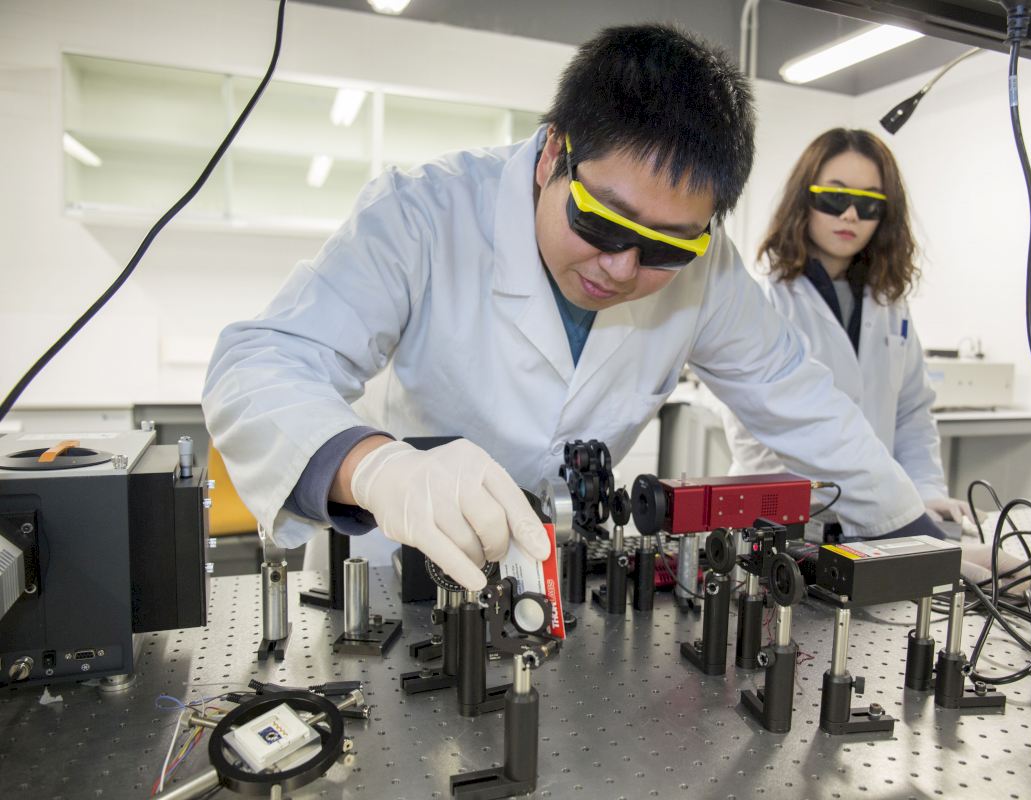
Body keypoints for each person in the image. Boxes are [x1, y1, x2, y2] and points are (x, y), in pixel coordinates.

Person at [202, 25, 941, 594]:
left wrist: (916, 538)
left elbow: (799, 400)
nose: (621, 268)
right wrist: (375, 469)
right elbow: (259, 365)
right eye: (601, 222)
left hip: (560, 578)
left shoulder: (709, 268)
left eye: (666, 249)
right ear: (554, 152)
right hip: (394, 580)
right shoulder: (424, 213)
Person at [720, 128, 970, 534]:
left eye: (868, 203)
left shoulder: (889, 304)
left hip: (878, 516)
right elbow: (754, 429)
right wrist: (830, 507)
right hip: (783, 518)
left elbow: (911, 411)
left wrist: (923, 492)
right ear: (804, 199)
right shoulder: (767, 297)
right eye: (835, 198)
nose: (850, 215)